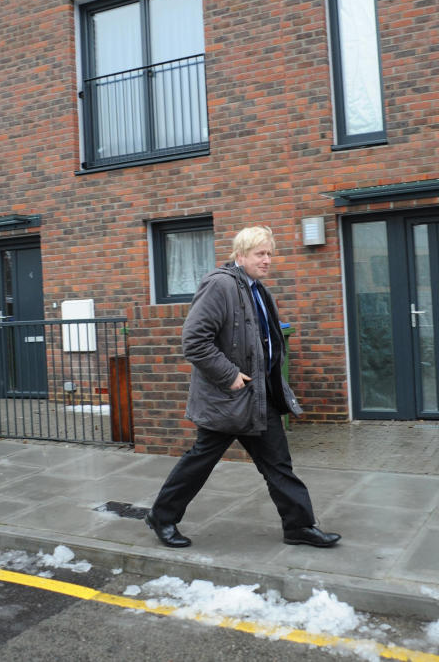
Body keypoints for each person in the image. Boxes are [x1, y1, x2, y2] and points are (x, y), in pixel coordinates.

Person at [145, 226, 340, 549]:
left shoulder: (258, 290)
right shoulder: (220, 286)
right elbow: (194, 341)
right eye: (260, 254)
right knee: (200, 462)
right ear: (240, 256)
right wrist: (229, 374)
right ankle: (162, 517)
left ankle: (299, 527)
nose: (267, 260)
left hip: (260, 398)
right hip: (228, 398)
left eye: (270, 254)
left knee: (279, 464)